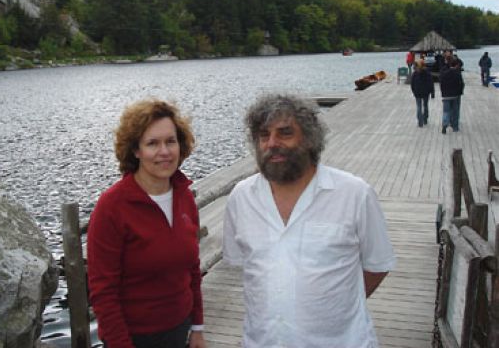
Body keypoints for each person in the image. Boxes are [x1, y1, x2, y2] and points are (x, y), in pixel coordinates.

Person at [223, 94, 396, 347]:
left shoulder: (354, 193)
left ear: (309, 138)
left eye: (285, 133)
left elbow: (378, 265)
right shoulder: (241, 197)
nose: (272, 143)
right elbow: (243, 264)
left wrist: (337, 304)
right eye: (264, 135)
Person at [87, 99, 206, 348]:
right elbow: (103, 292)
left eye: (170, 141)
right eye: (152, 143)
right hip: (134, 338)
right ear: (136, 150)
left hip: (181, 330)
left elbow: (192, 269)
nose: (164, 152)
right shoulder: (112, 207)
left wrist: (197, 328)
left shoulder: (183, 194)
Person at [439, 58, 464, 134]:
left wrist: (443, 92)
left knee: (446, 111)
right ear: (456, 65)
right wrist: (460, 92)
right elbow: (461, 84)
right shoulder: (457, 73)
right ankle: (455, 127)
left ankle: (444, 125)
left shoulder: (444, 73)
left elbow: (441, 83)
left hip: (446, 95)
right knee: (455, 112)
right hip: (455, 95)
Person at [411, 59, 435, 127]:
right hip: (426, 92)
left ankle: (420, 121)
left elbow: (412, 84)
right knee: (425, 105)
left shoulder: (415, 73)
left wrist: (414, 91)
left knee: (419, 106)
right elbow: (431, 83)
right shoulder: (427, 73)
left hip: (417, 92)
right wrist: (432, 92)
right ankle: (425, 119)